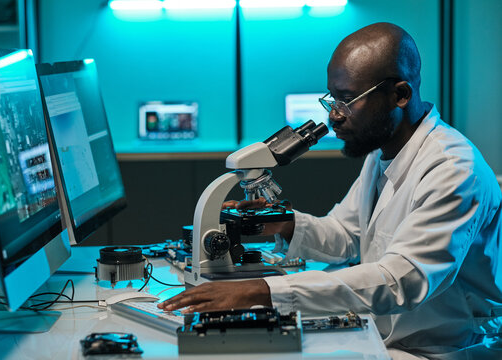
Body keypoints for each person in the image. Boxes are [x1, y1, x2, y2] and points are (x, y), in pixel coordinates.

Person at [158, 22, 502, 359]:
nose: (334, 116)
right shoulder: (384, 152)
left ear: (400, 94)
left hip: (442, 349)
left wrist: (261, 290)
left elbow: (401, 279)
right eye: (332, 99)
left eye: (348, 100)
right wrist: (283, 223)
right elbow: (347, 234)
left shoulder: (454, 170)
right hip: (385, 336)